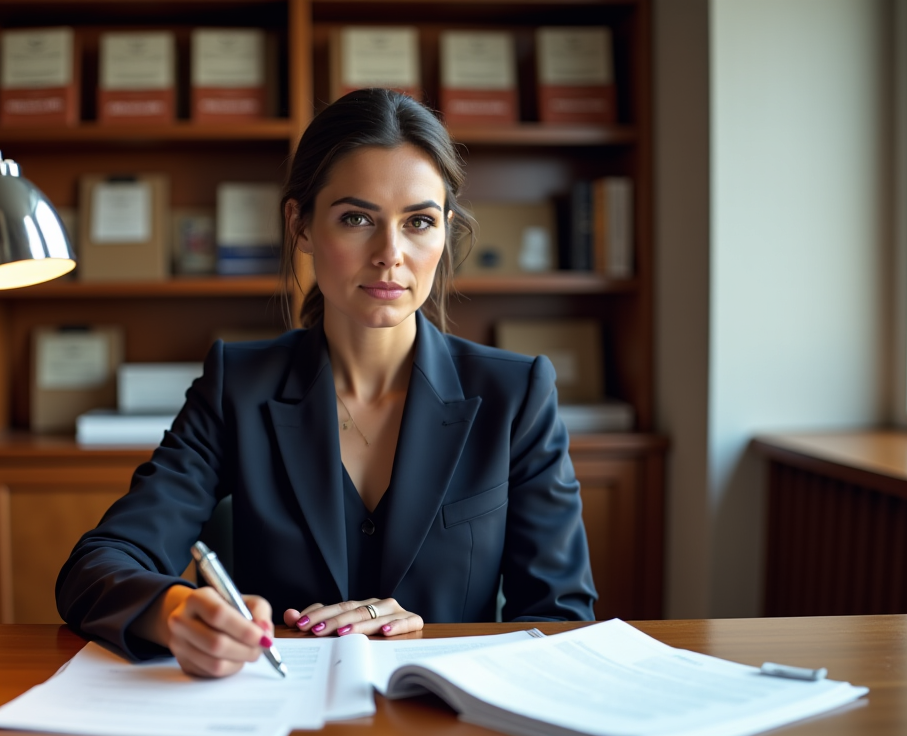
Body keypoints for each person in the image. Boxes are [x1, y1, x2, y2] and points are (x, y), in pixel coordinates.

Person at [56, 88, 596, 678]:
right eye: (357, 218)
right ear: (303, 225)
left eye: (419, 221)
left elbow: (562, 617)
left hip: (449, 724)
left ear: (445, 233)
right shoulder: (238, 385)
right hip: (279, 716)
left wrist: (431, 638)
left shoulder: (516, 395)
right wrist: (180, 611)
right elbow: (99, 565)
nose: (390, 254)